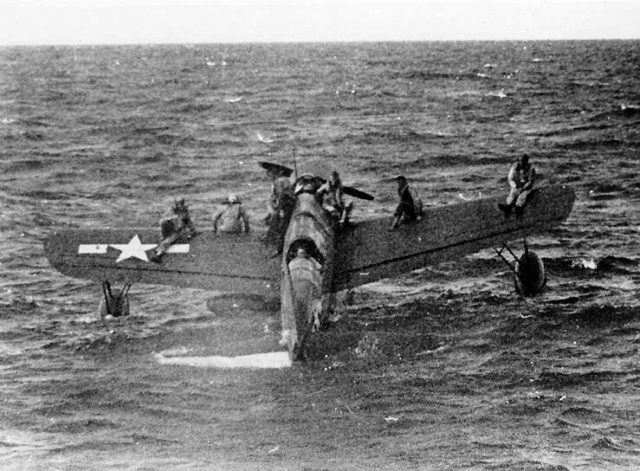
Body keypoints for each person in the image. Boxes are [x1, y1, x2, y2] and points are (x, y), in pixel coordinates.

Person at [264, 167, 296, 254]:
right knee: (284, 225)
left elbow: (281, 195)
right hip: (289, 204)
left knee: (282, 226)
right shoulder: (286, 180)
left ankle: (280, 248)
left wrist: (280, 208)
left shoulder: (279, 181)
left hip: (285, 205)